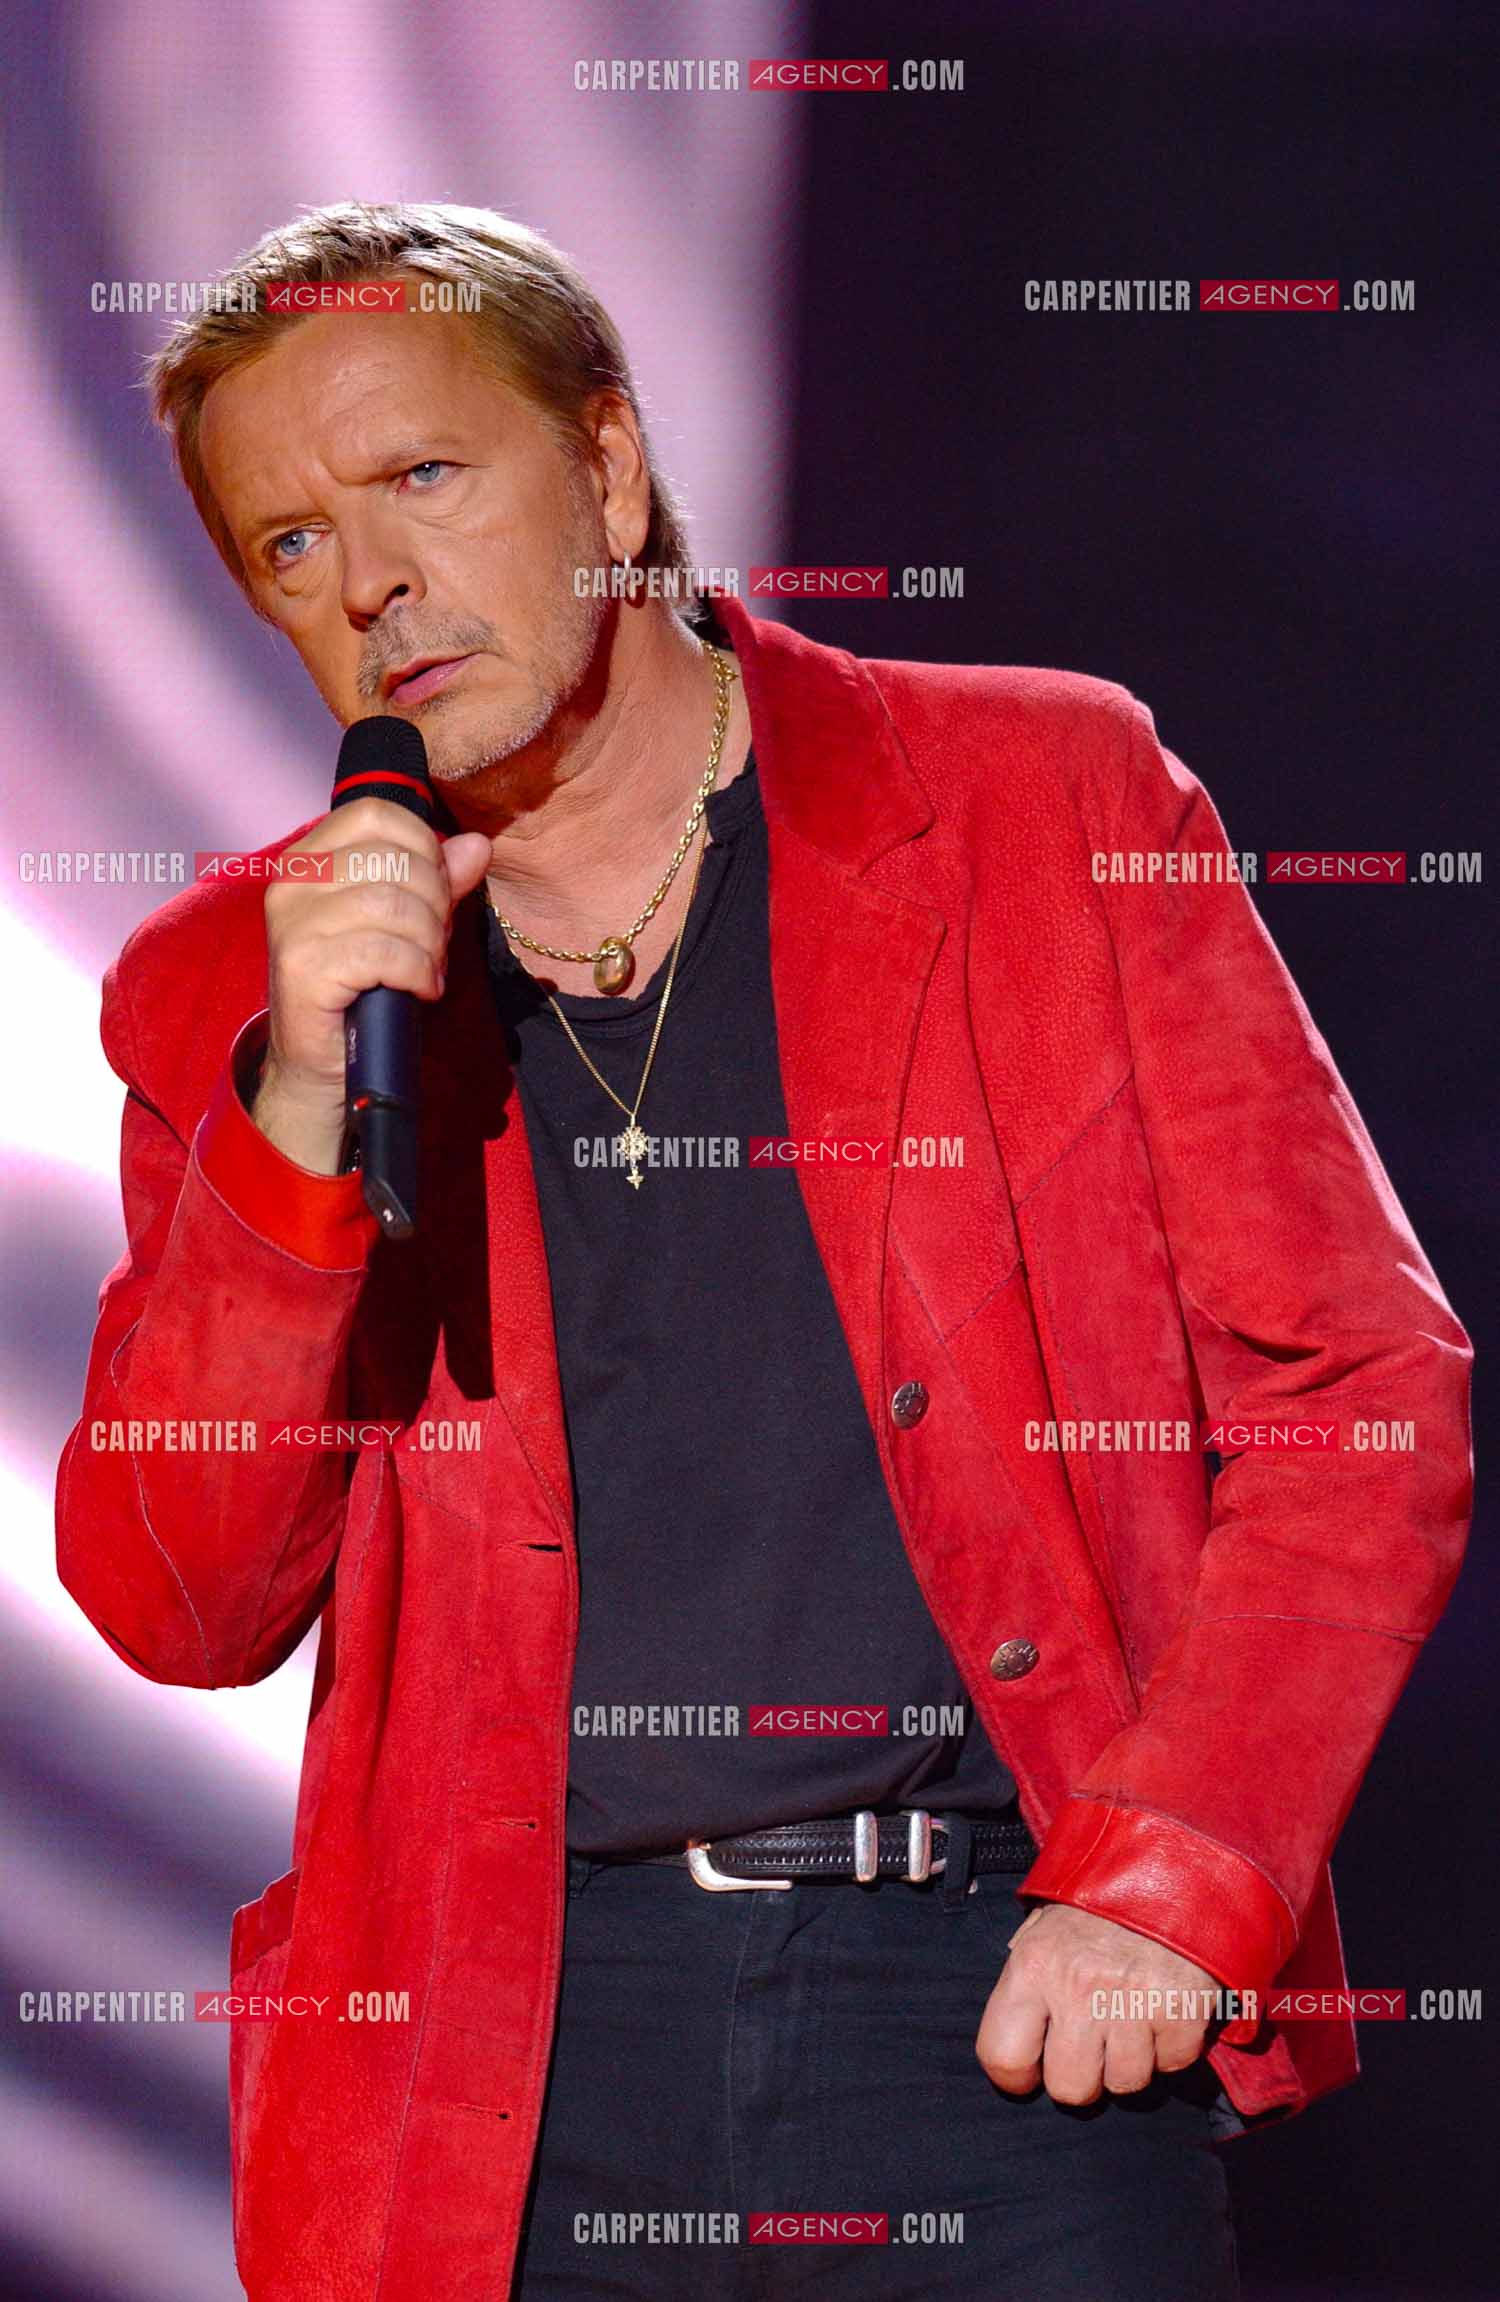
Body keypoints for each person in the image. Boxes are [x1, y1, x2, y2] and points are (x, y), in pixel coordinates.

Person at [56, 203, 1472, 2302]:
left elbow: (1362, 1390)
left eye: (423, 478)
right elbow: (180, 1597)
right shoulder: (236, 994)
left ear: (609, 465)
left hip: (999, 2006)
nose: (367, 585)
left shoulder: (1031, 797)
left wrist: (1180, 1877)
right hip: (510, 2063)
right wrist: (288, 1124)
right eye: (286, 546)